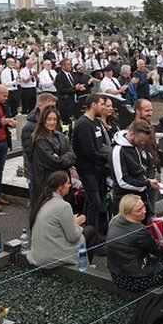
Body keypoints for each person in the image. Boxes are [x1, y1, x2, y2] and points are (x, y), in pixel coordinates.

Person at [107, 194, 163, 292]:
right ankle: (158, 292)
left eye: (143, 206)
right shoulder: (139, 230)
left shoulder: (114, 221)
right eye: (139, 210)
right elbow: (157, 249)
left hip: (117, 275)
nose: (144, 211)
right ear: (128, 213)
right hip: (134, 280)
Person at [72, 93, 113, 239]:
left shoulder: (96, 122)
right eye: (101, 104)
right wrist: (105, 159)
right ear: (93, 105)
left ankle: (90, 231)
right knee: (94, 202)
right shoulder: (83, 124)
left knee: (94, 201)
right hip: (88, 169)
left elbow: (101, 144)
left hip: (98, 169)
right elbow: (89, 151)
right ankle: (91, 236)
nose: (103, 107)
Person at [27, 170, 86, 268]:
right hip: (49, 257)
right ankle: (84, 268)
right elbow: (73, 237)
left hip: (38, 252)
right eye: (67, 183)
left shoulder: (44, 200)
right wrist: (76, 223)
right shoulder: (64, 206)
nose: (70, 185)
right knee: (86, 234)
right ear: (60, 188)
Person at [111, 119, 161, 219]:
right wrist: (146, 183)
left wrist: (148, 180)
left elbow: (143, 167)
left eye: (144, 140)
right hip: (125, 201)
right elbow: (122, 181)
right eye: (140, 140)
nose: (142, 143)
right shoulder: (118, 151)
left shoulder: (134, 145)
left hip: (139, 197)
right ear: (132, 134)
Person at [30, 106, 77, 193]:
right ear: (43, 120)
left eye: (54, 119)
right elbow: (55, 162)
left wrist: (61, 157)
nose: (52, 122)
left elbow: (73, 155)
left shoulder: (59, 135)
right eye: (49, 119)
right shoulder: (40, 139)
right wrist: (66, 157)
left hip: (62, 180)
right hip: (48, 183)